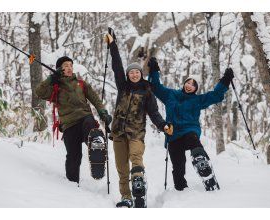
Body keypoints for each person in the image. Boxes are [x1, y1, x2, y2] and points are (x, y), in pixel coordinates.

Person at [105, 33, 173, 208]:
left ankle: (139, 186)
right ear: (128, 75)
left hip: (136, 134)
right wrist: (113, 45)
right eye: (131, 72)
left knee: (136, 158)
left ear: (141, 74)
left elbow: (154, 112)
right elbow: (117, 66)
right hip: (118, 133)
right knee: (121, 169)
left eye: (137, 72)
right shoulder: (123, 87)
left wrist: (163, 125)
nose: (134, 74)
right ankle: (126, 197)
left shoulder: (147, 91)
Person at [147, 57, 234, 191]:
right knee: (178, 166)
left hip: (189, 130)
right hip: (173, 134)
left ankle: (203, 164)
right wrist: (153, 70)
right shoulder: (170, 94)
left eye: (193, 84)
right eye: (188, 82)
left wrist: (225, 80)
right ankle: (181, 189)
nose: (189, 85)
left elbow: (215, 95)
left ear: (195, 89)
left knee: (193, 140)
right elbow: (156, 87)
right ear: (184, 84)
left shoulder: (198, 100)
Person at [36, 56, 112, 184]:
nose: (69, 68)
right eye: (66, 66)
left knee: (90, 123)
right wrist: (50, 79)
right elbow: (39, 91)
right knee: (74, 156)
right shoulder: (55, 87)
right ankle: (71, 185)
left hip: (85, 119)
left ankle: (96, 145)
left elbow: (96, 99)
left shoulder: (81, 84)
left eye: (71, 65)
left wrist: (103, 113)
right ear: (60, 69)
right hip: (69, 125)